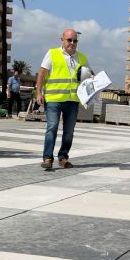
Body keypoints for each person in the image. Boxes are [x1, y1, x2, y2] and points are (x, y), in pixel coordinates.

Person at [36, 28, 93, 169]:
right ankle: (48, 158)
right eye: (69, 40)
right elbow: (42, 73)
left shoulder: (82, 57)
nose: (72, 43)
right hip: (54, 98)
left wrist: (93, 78)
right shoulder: (52, 53)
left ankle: (63, 157)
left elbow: (91, 74)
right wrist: (39, 93)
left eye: (75, 40)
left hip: (72, 100)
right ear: (62, 40)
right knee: (52, 127)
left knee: (69, 132)